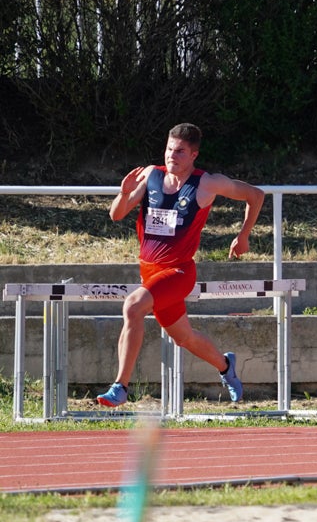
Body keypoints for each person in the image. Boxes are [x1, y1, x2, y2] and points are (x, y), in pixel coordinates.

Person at [96, 123, 265, 407]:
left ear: (194, 155)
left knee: (133, 306)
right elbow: (116, 215)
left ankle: (120, 387)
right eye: (169, 150)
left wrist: (243, 234)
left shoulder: (206, 183)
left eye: (180, 152)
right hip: (150, 272)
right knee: (184, 337)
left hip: (179, 272)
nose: (172, 156)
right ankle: (226, 365)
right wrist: (124, 194)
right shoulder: (150, 175)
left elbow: (255, 195)